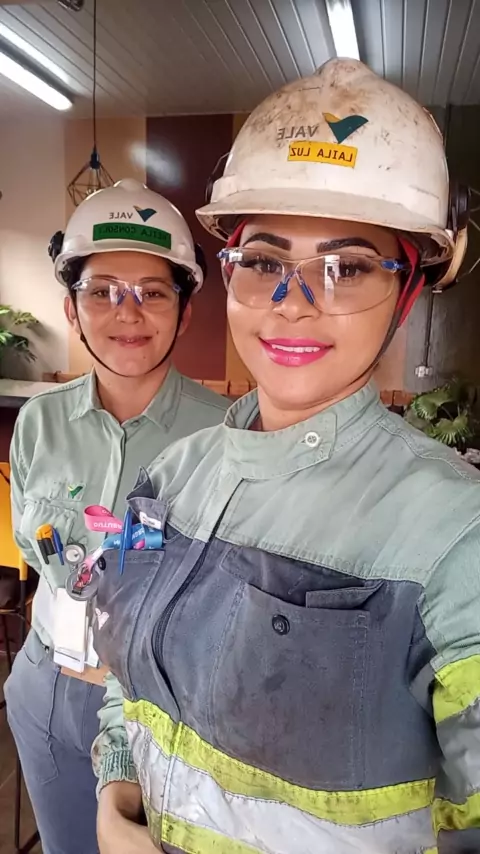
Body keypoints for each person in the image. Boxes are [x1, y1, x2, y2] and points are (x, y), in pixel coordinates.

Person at [92, 60, 479, 854]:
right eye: (265, 262)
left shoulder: (454, 532)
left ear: (409, 290)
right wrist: (117, 786)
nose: (292, 303)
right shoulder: (167, 480)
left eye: (349, 268)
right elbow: (126, 666)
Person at [4, 178, 229, 854]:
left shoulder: (227, 437)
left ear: (184, 312)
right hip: (45, 687)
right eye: (101, 291)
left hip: (164, 705)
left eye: (152, 292)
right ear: (71, 310)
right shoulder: (39, 422)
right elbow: (34, 551)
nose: (126, 313)